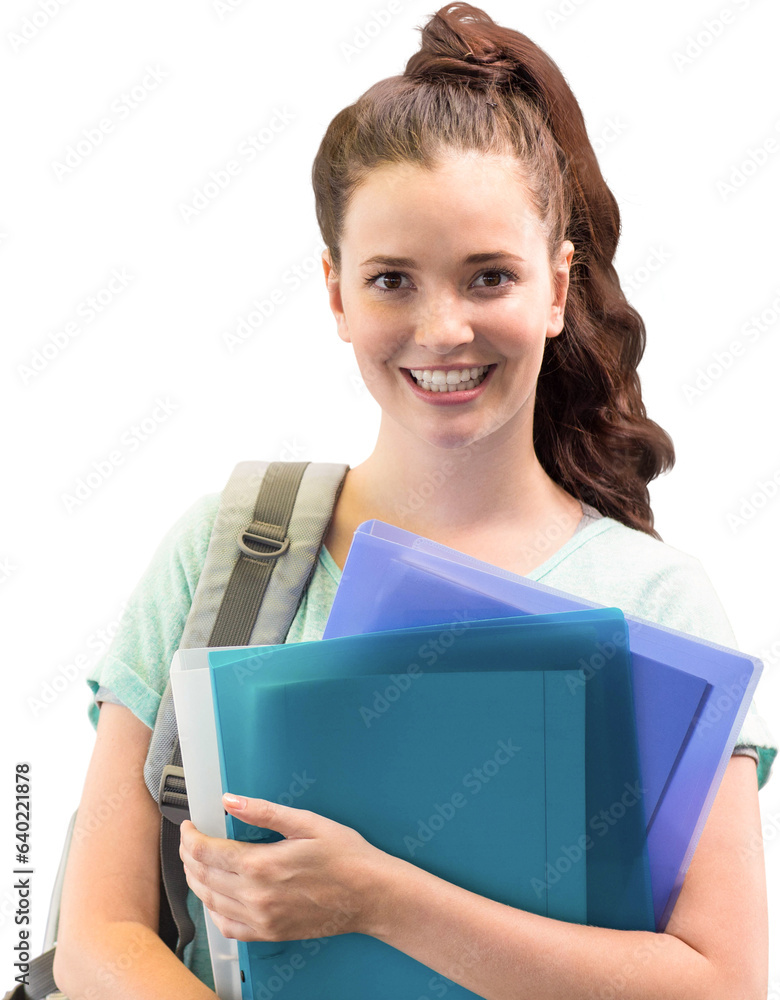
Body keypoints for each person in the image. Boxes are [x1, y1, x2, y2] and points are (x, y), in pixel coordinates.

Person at [54, 4, 777, 998]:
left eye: (490, 277)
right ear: (337, 293)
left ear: (557, 289)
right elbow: (96, 937)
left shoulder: (656, 599)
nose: (444, 330)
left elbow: (722, 984)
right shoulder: (230, 551)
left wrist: (378, 897)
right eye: (392, 279)